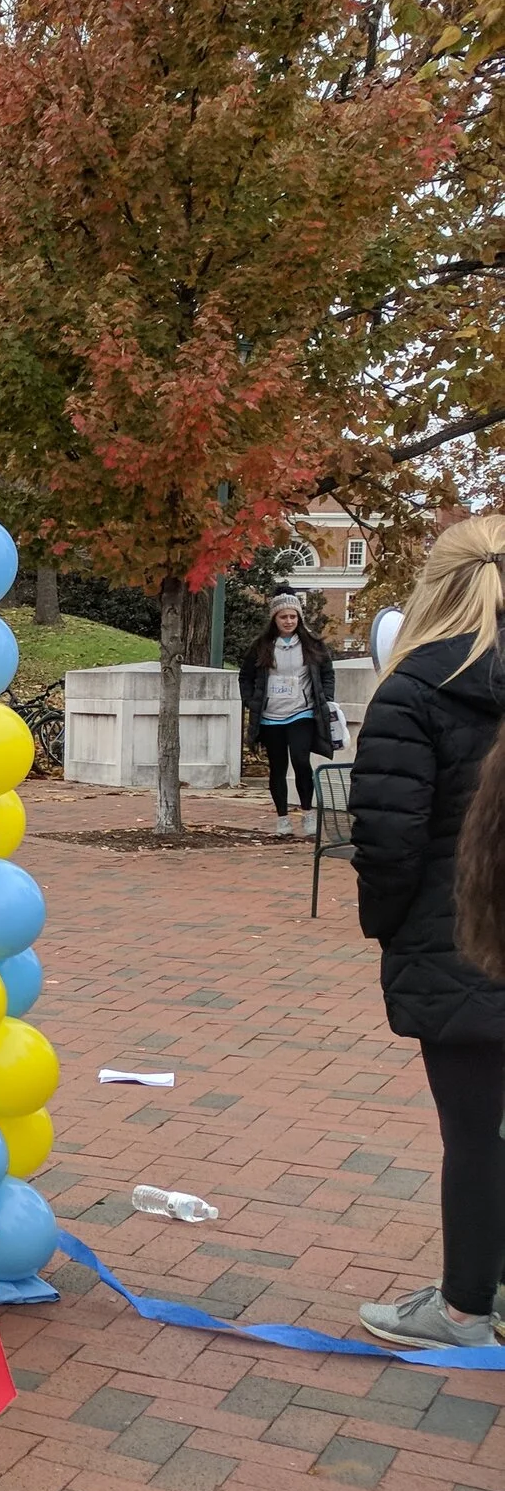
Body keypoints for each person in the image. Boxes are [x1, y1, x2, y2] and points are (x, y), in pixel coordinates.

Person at [351, 518, 505, 1350]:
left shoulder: (413, 691)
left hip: (458, 940)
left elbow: (388, 840)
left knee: (474, 1132)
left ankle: (463, 1308)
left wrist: (385, 925)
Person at [238, 591, 339, 838]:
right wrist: (252, 701)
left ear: (299, 618)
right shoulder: (261, 646)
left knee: (301, 760)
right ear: (274, 619)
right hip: (271, 715)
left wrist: (326, 698)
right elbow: (245, 676)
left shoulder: (312, 645)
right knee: (278, 767)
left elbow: (327, 672)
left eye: (293, 616)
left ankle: (307, 812)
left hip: (301, 713)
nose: (289, 621)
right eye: (283, 616)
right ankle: (282, 817)